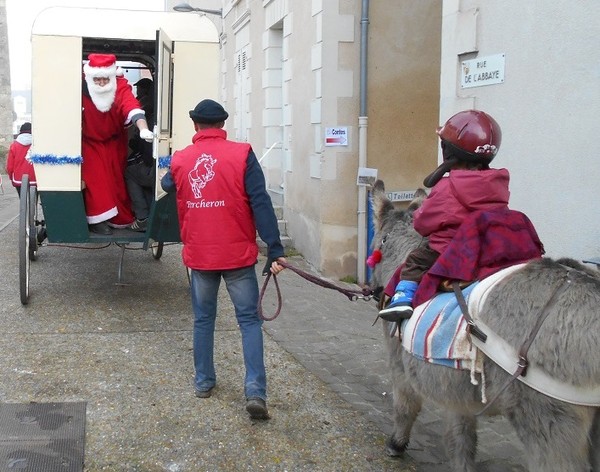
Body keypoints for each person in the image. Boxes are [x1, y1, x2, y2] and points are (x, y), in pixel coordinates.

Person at [161, 99, 286, 420]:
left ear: (195, 126)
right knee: (249, 321)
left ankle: (204, 381)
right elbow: (260, 201)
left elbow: (167, 184)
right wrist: (275, 248)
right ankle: (255, 390)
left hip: (200, 256)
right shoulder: (243, 154)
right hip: (237, 256)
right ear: (221, 125)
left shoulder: (181, 159)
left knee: (204, 319)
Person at [378, 110, 510, 322]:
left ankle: (402, 299)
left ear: (448, 151)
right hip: (488, 247)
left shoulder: (447, 187)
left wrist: (422, 214)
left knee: (415, 260)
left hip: (451, 251)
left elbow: (421, 224)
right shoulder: (498, 184)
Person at [82, 53, 153, 235]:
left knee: (116, 180)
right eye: (97, 79)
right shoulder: (80, 86)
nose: (101, 83)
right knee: (97, 179)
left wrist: (143, 127)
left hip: (114, 142)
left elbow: (131, 106)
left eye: (105, 78)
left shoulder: (120, 85)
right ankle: (97, 219)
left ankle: (117, 218)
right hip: (88, 141)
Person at [125, 78, 155, 232]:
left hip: (152, 168)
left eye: (140, 88)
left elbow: (137, 144)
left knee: (130, 172)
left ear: (144, 90)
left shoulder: (142, 108)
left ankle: (142, 217)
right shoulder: (157, 107)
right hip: (161, 166)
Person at [6, 122, 36, 196]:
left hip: (19, 179)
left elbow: (10, 166)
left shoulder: (14, 145)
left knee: (23, 201)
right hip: (35, 178)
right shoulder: (36, 144)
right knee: (33, 201)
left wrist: (11, 177)